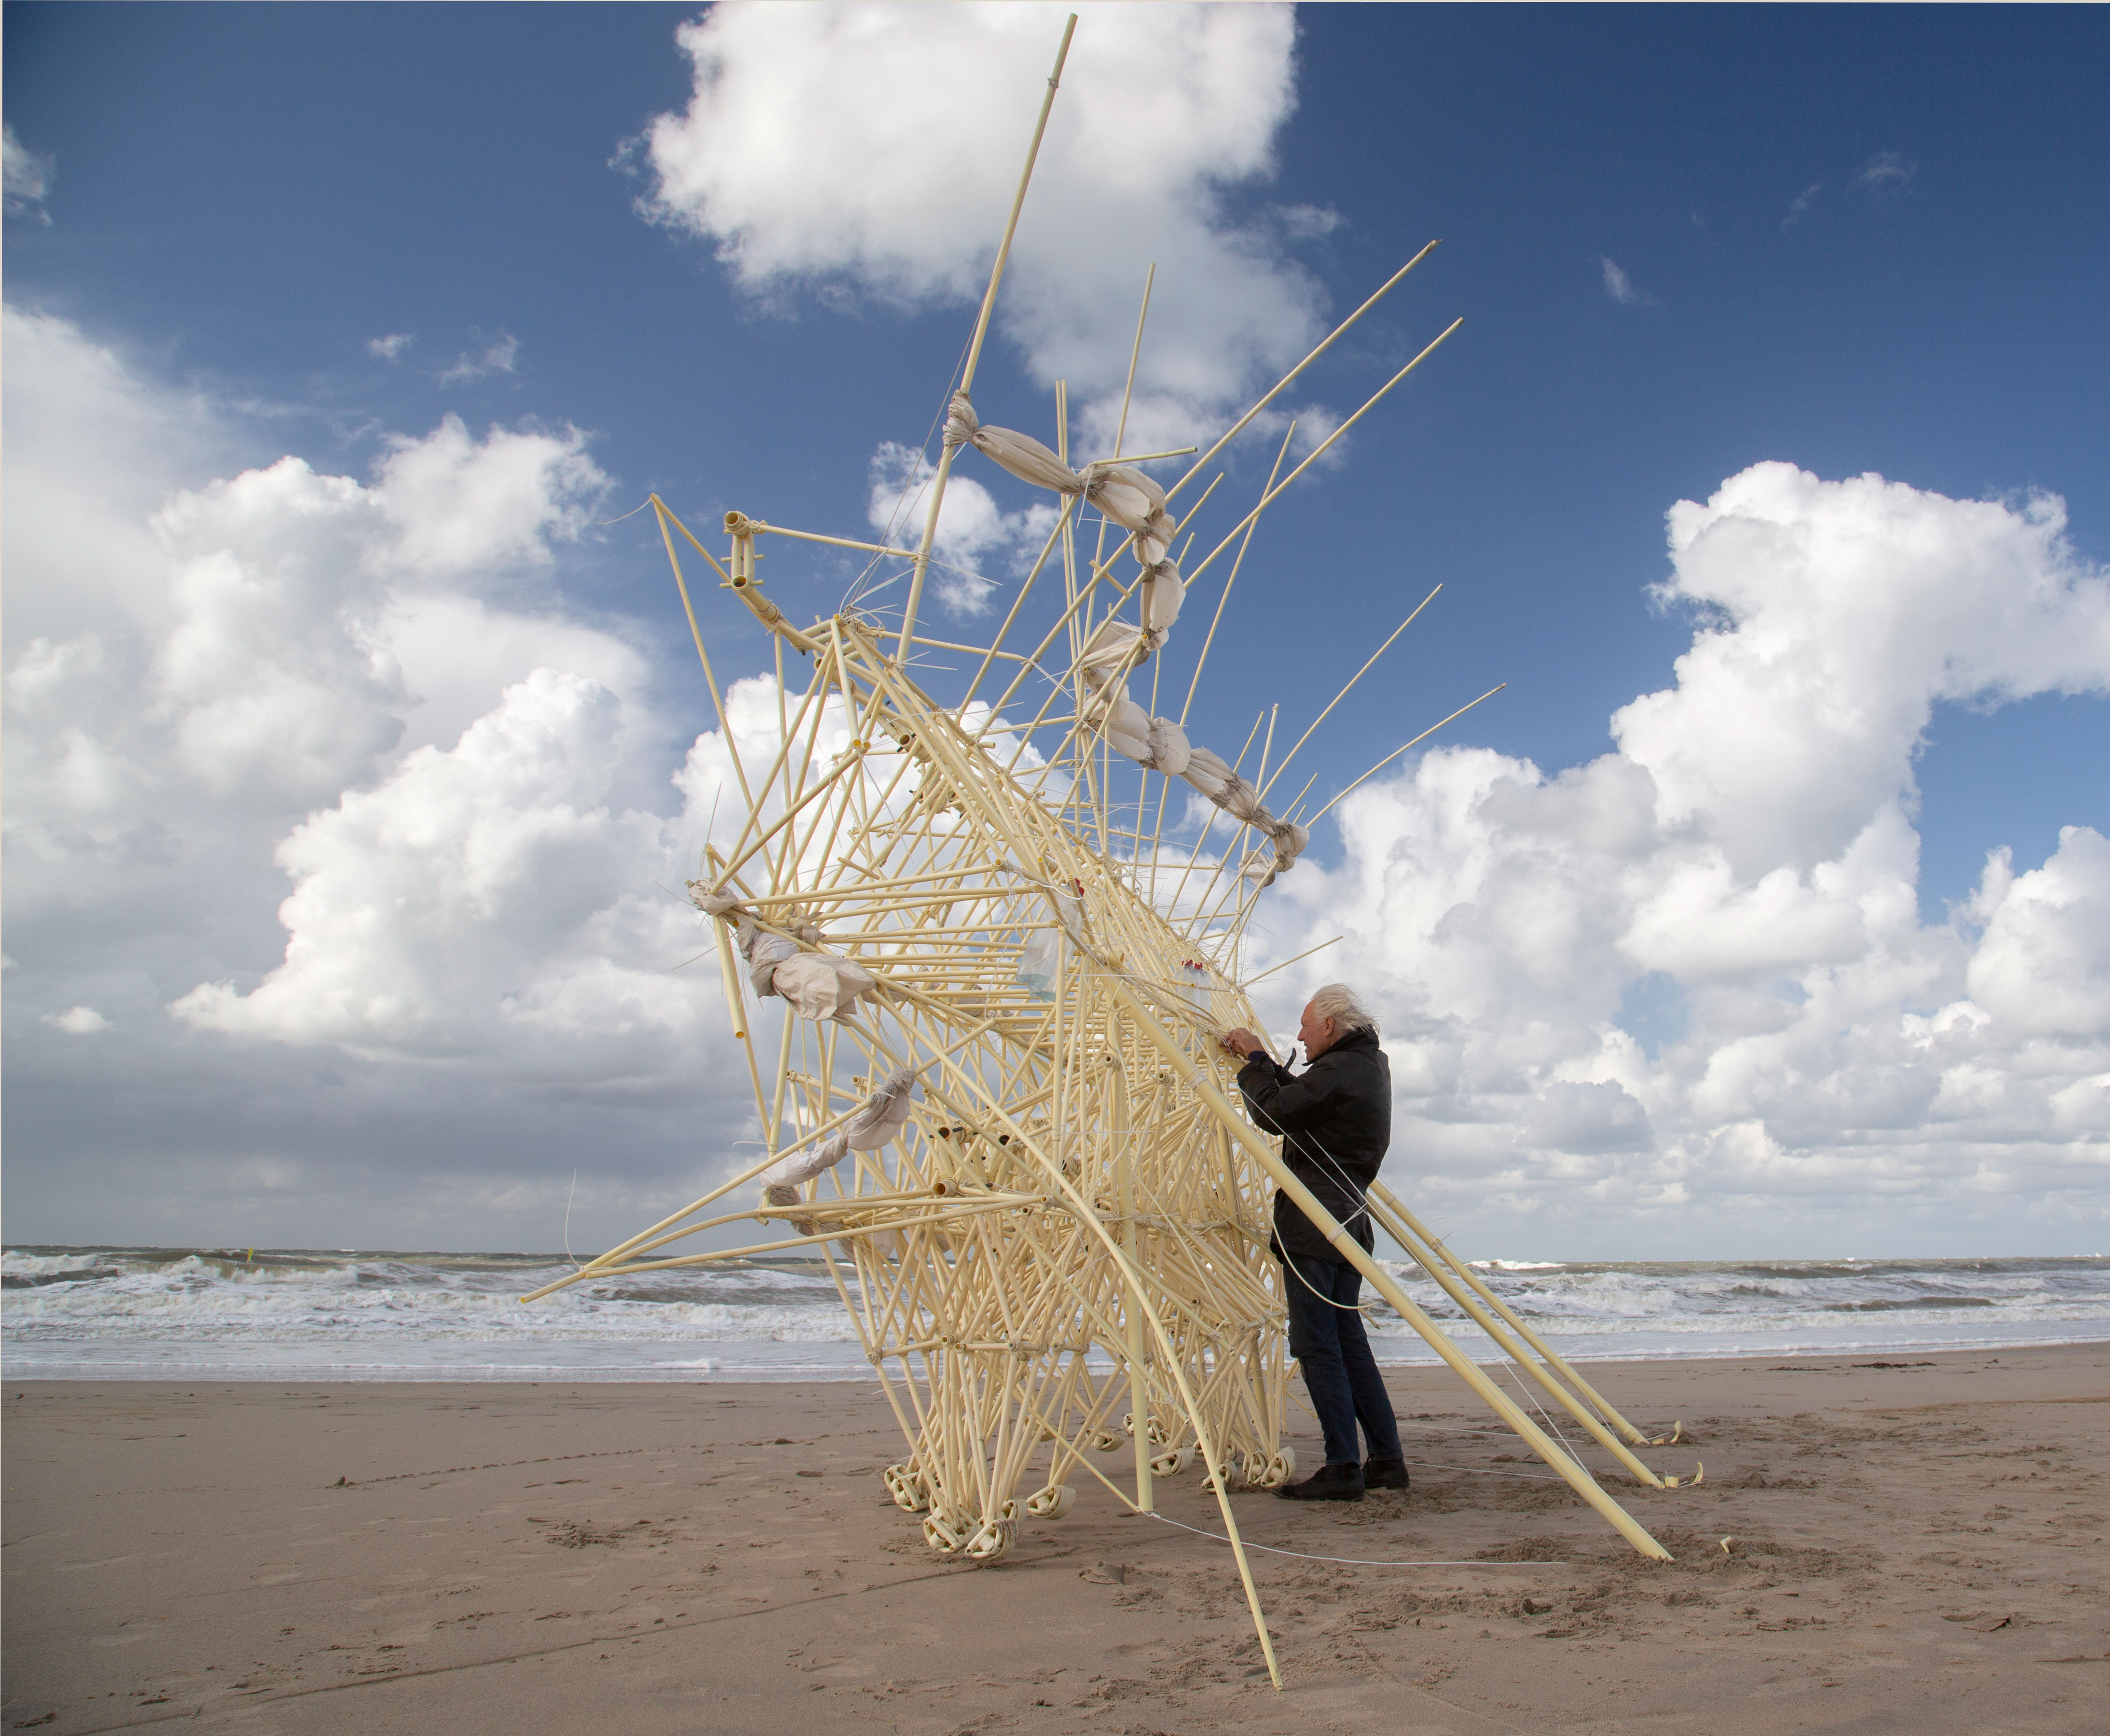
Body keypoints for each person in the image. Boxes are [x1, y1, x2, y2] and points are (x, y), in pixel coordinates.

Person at [1220, 984, 1408, 1502]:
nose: (1299, 1036)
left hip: (1315, 1224)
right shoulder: (1366, 1066)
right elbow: (1303, 1102)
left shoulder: (1343, 1070)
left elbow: (1274, 1114)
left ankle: (1343, 1465)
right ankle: (1387, 1460)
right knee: (1348, 1344)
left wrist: (1257, 1058)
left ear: (1330, 1026)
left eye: (1305, 1025)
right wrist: (1265, 1068)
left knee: (1316, 1345)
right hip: (1348, 1223)